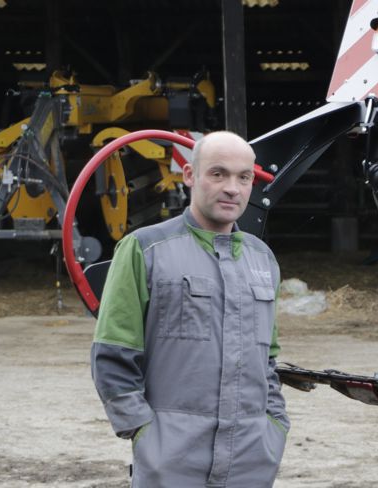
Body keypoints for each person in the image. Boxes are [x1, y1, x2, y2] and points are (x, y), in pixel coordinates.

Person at [90, 131, 287, 487]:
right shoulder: (144, 249)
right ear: (189, 176)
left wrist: (273, 425)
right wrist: (143, 433)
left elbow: (269, 360)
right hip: (171, 457)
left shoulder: (263, 259)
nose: (232, 188)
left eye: (244, 177)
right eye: (218, 173)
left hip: (251, 456)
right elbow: (113, 354)